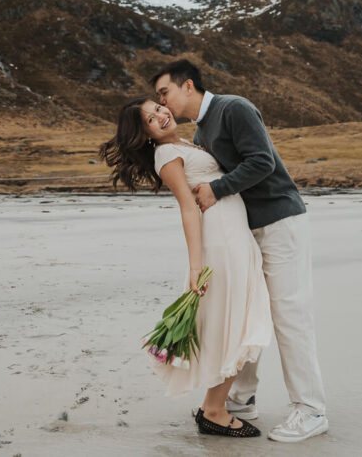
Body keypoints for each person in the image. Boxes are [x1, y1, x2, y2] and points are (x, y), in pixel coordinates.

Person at [152, 59, 328, 443]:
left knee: (289, 316)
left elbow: (262, 162)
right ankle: (241, 399)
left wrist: (217, 190)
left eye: (164, 92)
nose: (162, 102)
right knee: (251, 312)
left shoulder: (233, 108)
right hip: (249, 231)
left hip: (280, 221)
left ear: (187, 85)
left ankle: (311, 409)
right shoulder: (200, 131)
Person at [100, 97, 272, 438]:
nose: (162, 116)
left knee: (235, 318)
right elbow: (188, 209)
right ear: (145, 134)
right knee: (233, 321)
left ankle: (215, 405)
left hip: (232, 233)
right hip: (219, 241)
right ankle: (214, 410)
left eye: (159, 109)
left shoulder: (184, 143)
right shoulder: (166, 155)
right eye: (151, 119)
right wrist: (196, 265)